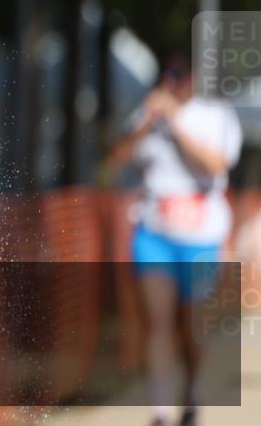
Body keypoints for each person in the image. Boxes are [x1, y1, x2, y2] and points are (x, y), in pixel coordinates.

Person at [108, 52, 242, 426]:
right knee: (158, 321)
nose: (175, 81)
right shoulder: (148, 113)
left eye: (182, 75)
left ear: (195, 79)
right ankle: (161, 410)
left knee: (192, 325)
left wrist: (177, 126)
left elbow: (216, 165)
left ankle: (193, 388)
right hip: (153, 233)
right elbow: (116, 158)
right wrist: (148, 123)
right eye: (170, 74)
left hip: (201, 237)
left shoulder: (215, 115)